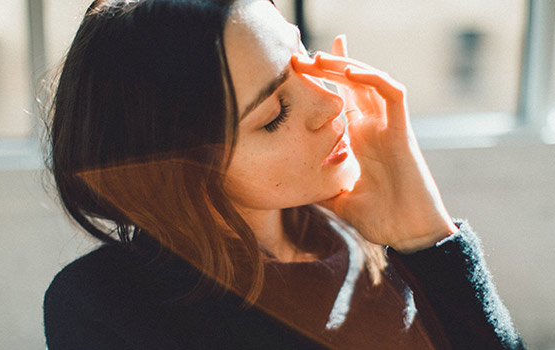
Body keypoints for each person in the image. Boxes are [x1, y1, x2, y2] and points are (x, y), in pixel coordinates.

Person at [43, 0, 525, 348]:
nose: (331, 101)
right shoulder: (106, 308)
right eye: (275, 112)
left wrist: (430, 239)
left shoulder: (364, 243)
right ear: (177, 171)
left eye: (305, 57)